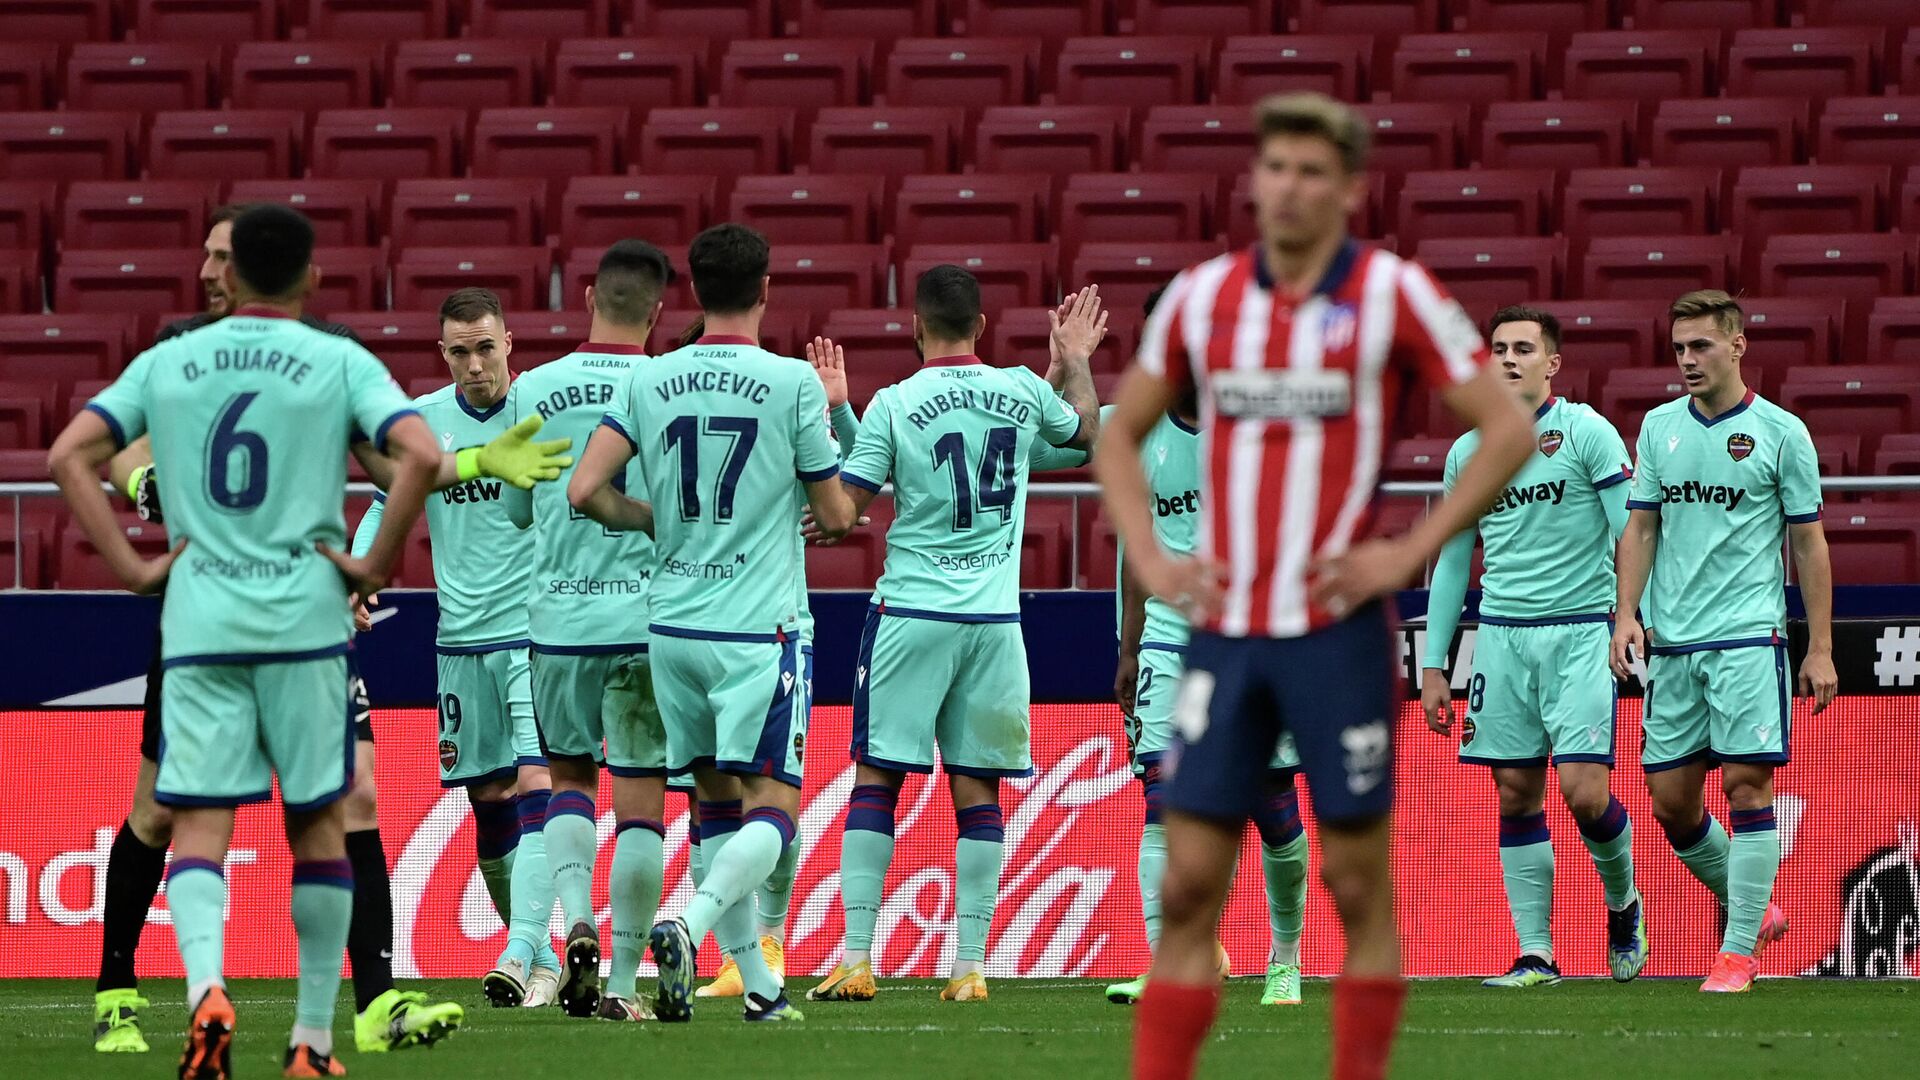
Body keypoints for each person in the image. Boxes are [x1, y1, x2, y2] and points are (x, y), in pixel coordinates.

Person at [1094, 93, 1536, 1080]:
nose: (1287, 187)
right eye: (1274, 169)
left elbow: (1505, 428)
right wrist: (1154, 560)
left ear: (1348, 188)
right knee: (1188, 883)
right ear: (1254, 182)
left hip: (1336, 634)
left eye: (1309, 171)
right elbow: (1119, 434)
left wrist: (1407, 549)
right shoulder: (1204, 298)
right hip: (1221, 630)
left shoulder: (1394, 295)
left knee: (1356, 879)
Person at [47, 203, 444, 1079]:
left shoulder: (170, 359)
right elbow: (423, 456)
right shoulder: (338, 360)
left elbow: (70, 455)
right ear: (310, 277)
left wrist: (134, 571)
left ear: (228, 272)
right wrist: (370, 565)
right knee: (321, 830)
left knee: (194, 824)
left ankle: (204, 993)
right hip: (304, 625)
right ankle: (311, 1040)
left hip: (199, 623)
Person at [570, 222, 858, 1023]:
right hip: (758, 629)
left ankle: (761, 994)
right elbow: (834, 514)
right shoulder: (793, 383)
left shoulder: (650, 380)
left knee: (713, 804)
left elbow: (583, 489)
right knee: (775, 805)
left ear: (693, 292)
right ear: (766, 291)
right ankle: (686, 924)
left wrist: (652, 520)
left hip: (672, 627)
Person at [803, 267, 1099, 1004]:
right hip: (995, 626)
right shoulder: (1023, 391)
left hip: (911, 618)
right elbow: (1083, 439)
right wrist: (1075, 367)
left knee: (878, 779)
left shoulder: (899, 403)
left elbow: (850, 501)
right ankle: (969, 966)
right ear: (984, 325)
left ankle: (858, 957)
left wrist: (837, 427)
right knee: (979, 791)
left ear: (914, 325)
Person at [1091, 286, 1312, 1009]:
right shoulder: (1135, 426)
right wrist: (1128, 648)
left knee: (1273, 808)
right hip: (1165, 638)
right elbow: (1135, 550)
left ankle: (1286, 956)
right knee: (1163, 798)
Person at [1611, 289, 1837, 993]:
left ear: (1737, 345)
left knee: (1747, 786)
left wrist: (1820, 646)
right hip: (1673, 644)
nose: (1687, 360)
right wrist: (1626, 613)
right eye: (1678, 348)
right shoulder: (1657, 429)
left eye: (1701, 345)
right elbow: (1642, 527)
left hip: (1747, 637)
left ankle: (1737, 953)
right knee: (1670, 802)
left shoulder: (1780, 432)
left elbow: (1809, 542)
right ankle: (1755, 906)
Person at [349, 287, 567, 1009]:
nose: (476, 364)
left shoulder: (543, 411)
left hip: (538, 637)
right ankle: (541, 957)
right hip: (461, 642)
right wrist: (359, 574)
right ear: (443, 354)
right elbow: (385, 504)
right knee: (489, 801)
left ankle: (518, 951)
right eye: (460, 351)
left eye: (486, 347)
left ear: (510, 344)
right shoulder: (425, 425)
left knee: (538, 783)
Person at [1421, 306, 1649, 988]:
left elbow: (1628, 533)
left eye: (1524, 349)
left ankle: (1623, 903)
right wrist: (1435, 663)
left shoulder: (1586, 433)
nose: (1509, 359)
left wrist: (1630, 617)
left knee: (1584, 794)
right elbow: (1454, 561)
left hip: (1581, 632)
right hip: (1501, 639)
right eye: (1498, 349)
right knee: (1515, 792)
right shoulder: (1470, 452)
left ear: (1552, 363)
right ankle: (1536, 954)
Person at [499, 240, 674, 1021]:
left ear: (589, 300)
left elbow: (515, 509)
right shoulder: (668, 384)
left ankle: (574, 925)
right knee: (642, 804)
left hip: (559, 621)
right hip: (648, 619)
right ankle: (625, 983)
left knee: (569, 781)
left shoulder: (533, 386)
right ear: (658, 311)